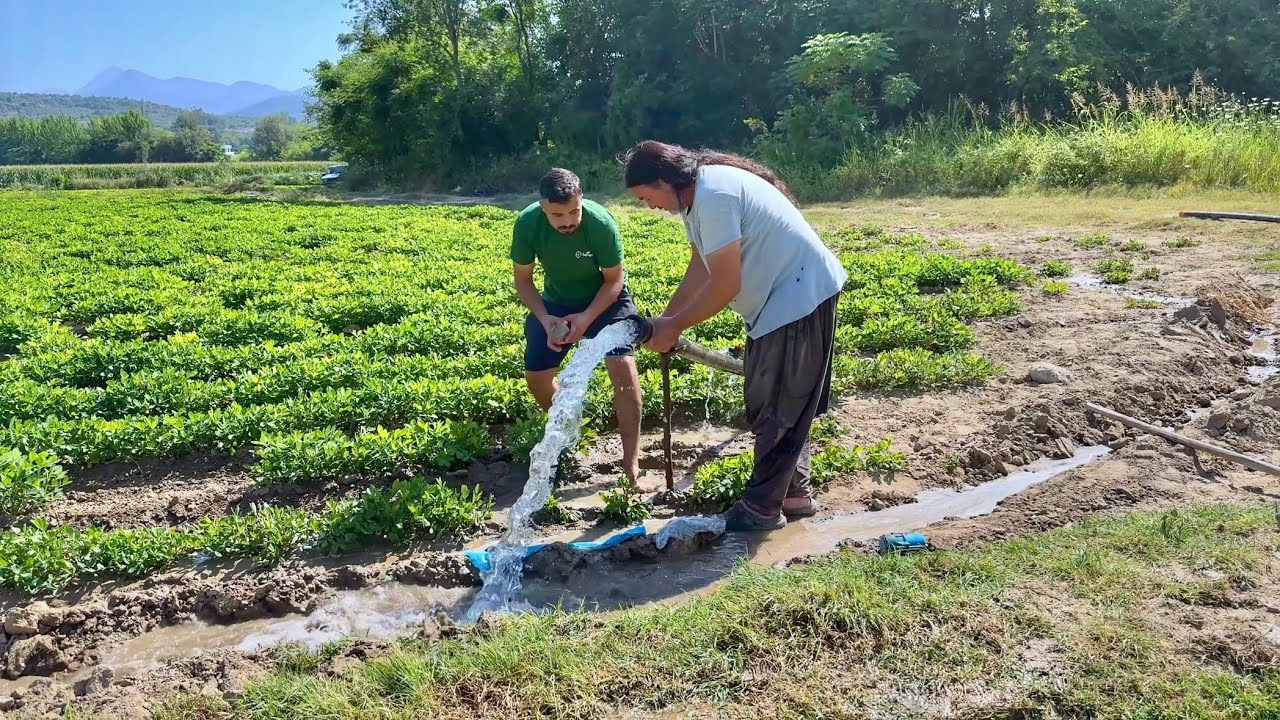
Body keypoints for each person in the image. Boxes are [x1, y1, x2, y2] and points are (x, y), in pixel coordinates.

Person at [622, 140, 847, 531]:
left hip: (799, 296)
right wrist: (665, 318)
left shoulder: (713, 195)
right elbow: (701, 265)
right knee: (776, 401)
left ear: (664, 180)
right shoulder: (695, 199)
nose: (650, 206)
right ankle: (794, 494)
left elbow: (725, 284)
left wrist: (674, 327)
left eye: (647, 196)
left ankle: (761, 509)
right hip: (778, 302)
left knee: (777, 406)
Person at [511, 168, 644, 483]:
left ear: (581, 200)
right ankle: (571, 431)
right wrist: (545, 319)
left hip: (606, 300)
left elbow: (614, 281)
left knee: (623, 368)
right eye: (557, 215)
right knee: (537, 379)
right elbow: (523, 281)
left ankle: (631, 460)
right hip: (556, 303)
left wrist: (586, 318)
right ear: (543, 208)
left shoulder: (600, 224)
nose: (568, 220)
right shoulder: (528, 224)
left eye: (574, 211)